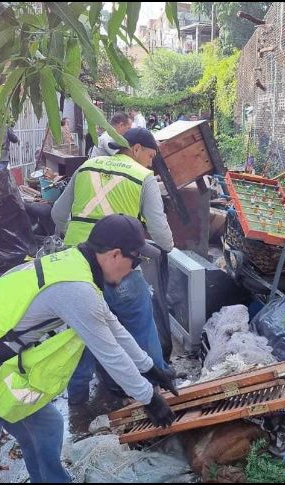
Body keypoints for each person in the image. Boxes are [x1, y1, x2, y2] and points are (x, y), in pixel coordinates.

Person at [0, 215, 178, 483]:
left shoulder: (75, 265)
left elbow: (112, 325)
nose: (133, 270)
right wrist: (149, 398)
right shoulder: (76, 289)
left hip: (0, 374)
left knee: (46, 427)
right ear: (115, 255)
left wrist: (150, 368)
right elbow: (110, 354)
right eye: (135, 261)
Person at [51, 128, 174, 404]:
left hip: (77, 268)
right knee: (140, 324)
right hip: (119, 268)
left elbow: (57, 213)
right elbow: (159, 229)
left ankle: (78, 401)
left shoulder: (87, 166)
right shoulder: (143, 177)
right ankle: (157, 384)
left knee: (81, 333)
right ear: (136, 149)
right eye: (150, 156)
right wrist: (168, 248)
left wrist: (74, 233)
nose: (151, 163)